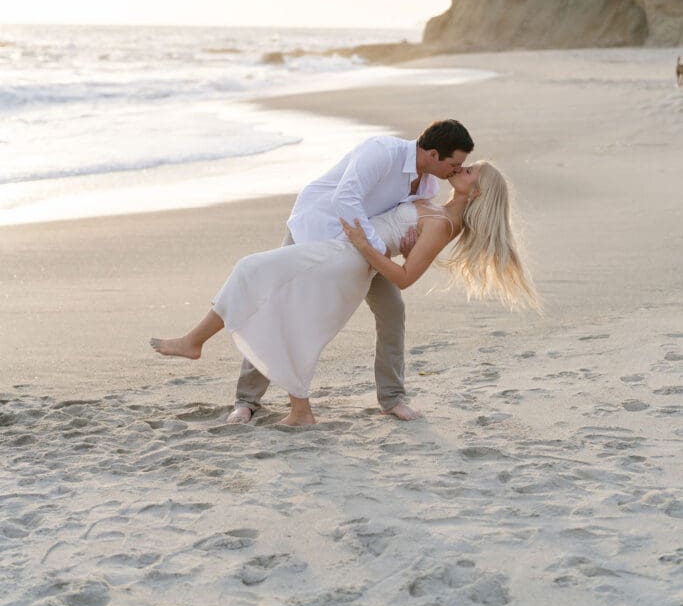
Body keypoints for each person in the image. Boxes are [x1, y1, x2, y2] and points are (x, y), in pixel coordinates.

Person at [150, 160, 540, 426]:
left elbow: (405, 277)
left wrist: (364, 244)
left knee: (261, 281)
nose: (463, 168)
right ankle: (267, 402)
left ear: (477, 192)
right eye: (464, 163)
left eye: (471, 171)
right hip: (346, 251)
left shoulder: (441, 224)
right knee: (279, 302)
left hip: (350, 258)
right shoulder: (432, 202)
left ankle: (198, 345)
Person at [229, 118, 473, 424]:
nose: (457, 170)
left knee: (392, 311)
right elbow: (345, 198)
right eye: (455, 163)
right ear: (434, 154)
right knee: (278, 308)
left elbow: (393, 220)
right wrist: (379, 250)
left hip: (361, 252)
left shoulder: (428, 183)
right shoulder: (382, 152)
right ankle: (247, 400)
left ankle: (392, 397)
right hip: (315, 231)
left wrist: (404, 245)